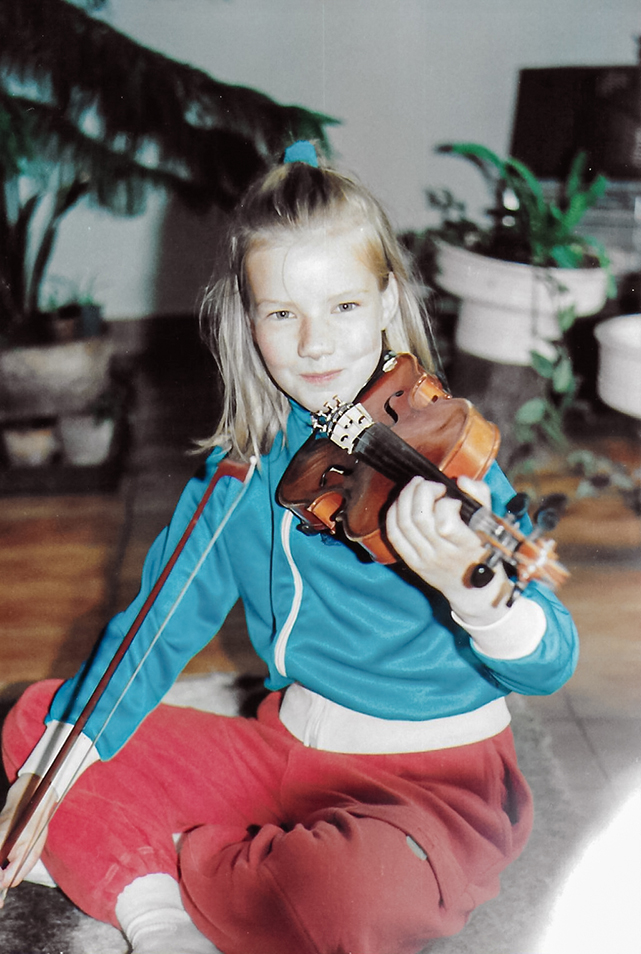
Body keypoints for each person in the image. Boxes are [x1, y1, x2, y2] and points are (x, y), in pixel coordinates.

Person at [0, 142, 578, 954]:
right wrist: (55, 775)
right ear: (246, 320)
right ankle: (161, 921)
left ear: (385, 301)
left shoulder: (445, 455)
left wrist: (479, 597)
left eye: (342, 307)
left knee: (344, 899)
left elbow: (550, 661)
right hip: (285, 750)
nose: (314, 347)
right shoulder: (237, 477)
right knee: (45, 723)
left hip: (432, 783)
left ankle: (160, 865)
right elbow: (153, 630)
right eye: (282, 314)